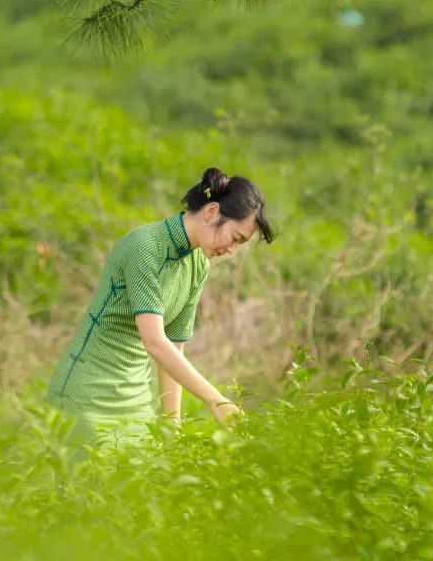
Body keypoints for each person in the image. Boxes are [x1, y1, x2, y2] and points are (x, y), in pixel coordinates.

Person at [47, 167, 276, 468]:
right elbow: (155, 342)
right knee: (89, 505)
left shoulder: (198, 265)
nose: (231, 250)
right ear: (211, 212)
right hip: (86, 396)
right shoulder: (144, 247)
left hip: (136, 400)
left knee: (139, 502)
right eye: (234, 237)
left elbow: (173, 350)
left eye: (240, 244)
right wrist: (215, 400)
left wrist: (173, 430)